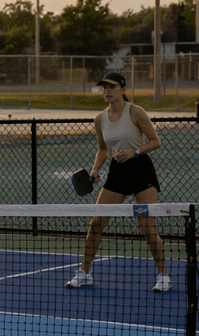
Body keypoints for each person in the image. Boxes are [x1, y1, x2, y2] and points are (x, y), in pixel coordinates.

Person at [66, 72, 169, 291]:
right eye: (103, 87)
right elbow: (103, 149)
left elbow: (155, 141)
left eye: (111, 87)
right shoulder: (100, 119)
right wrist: (95, 170)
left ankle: (163, 276)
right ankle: (85, 273)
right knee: (96, 223)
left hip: (141, 171)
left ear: (122, 89)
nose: (106, 91)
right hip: (117, 172)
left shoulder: (136, 112)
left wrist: (134, 152)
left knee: (147, 228)